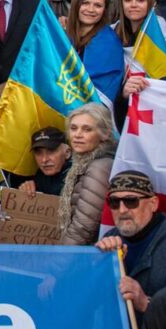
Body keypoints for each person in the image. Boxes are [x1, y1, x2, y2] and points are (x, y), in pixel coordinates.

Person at [96, 171, 166, 314]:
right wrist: (97, 262)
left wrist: (145, 303)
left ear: (153, 204)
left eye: (131, 201)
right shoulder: (109, 239)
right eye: (114, 202)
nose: (122, 210)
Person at [57, 103, 118, 245]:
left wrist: (61, 259)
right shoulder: (82, 163)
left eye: (87, 129)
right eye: (73, 128)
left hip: (87, 254)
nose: (78, 135)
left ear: (105, 133)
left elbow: (83, 227)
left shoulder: (99, 167)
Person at [63, 0, 125, 105]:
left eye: (98, 5)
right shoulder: (62, 35)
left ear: (104, 10)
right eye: (85, 3)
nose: (91, 10)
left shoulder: (109, 42)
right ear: (76, 4)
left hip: (91, 111)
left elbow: (104, 88)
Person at [21, 127, 71, 195]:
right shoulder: (40, 176)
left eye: (51, 151)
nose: (44, 160)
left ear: (67, 153)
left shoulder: (82, 178)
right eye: (38, 153)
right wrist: (28, 189)